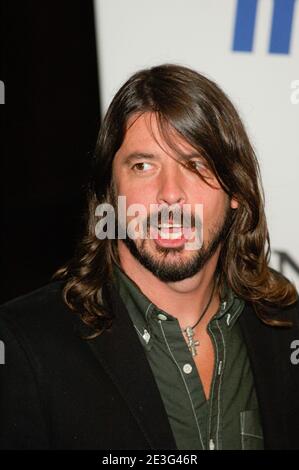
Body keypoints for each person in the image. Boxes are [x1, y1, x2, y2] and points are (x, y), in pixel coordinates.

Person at [0, 64, 298, 450]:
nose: (170, 193)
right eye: (143, 166)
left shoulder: (285, 328)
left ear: (235, 191)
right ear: (111, 193)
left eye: (196, 165)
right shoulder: (25, 345)